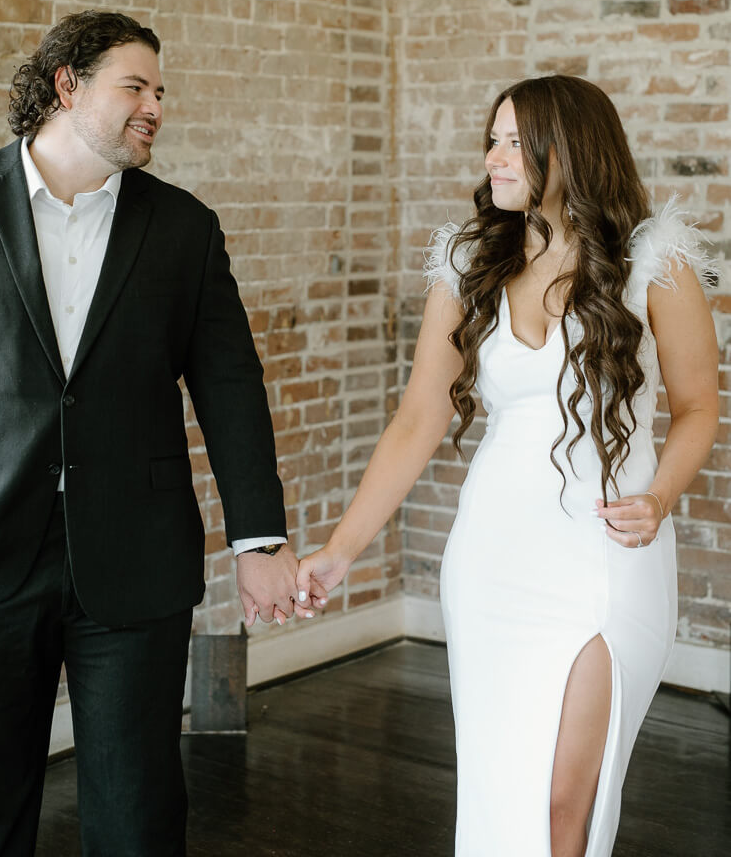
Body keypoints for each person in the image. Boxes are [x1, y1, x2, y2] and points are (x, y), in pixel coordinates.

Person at [297, 74, 719, 857]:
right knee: (503, 788)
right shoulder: (469, 263)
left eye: (516, 141)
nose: (495, 156)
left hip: (608, 550)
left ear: (572, 149)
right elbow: (419, 418)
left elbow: (699, 407)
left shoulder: (653, 262)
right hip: (494, 556)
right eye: (492, 138)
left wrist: (659, 497)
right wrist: (339, 551)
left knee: (567, 802)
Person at [0, 10, 312, 857]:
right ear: (67, 85)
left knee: (137, 819)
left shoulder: (183, 227)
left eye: (161, 91)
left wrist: (259, 540)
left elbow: (230, 388)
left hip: (137, 563)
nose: (155, 107)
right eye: (135, 86)